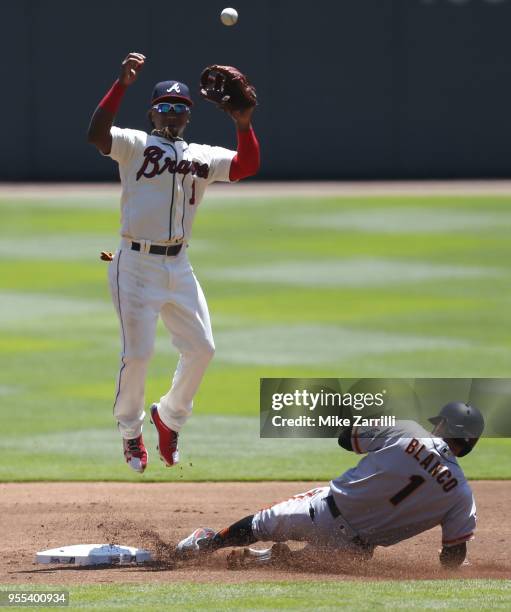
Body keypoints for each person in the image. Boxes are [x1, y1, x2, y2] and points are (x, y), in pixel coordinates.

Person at [87, 52, 260, 473]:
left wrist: (243, 124)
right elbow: (97, 134)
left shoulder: (202, 155)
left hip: (179, 266)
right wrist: (122, 84)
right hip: (135, 264)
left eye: (181, 109)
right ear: (151, 112)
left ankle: (169, 416)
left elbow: (246, 165)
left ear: (189, 116)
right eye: (165, 107)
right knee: (139, 355)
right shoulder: (134, 144)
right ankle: (131, 432)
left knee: (203, 348)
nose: (172, 114)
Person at [177, 402, 485, 569]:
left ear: (443, 425)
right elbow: (453, 555)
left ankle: (207, 544)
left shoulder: (407, 431)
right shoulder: (461, 495)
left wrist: (374, 420)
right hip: (353, 553)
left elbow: (345, 439)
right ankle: (269, 560)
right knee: (311, 564)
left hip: (319, 513)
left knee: (260, 524)